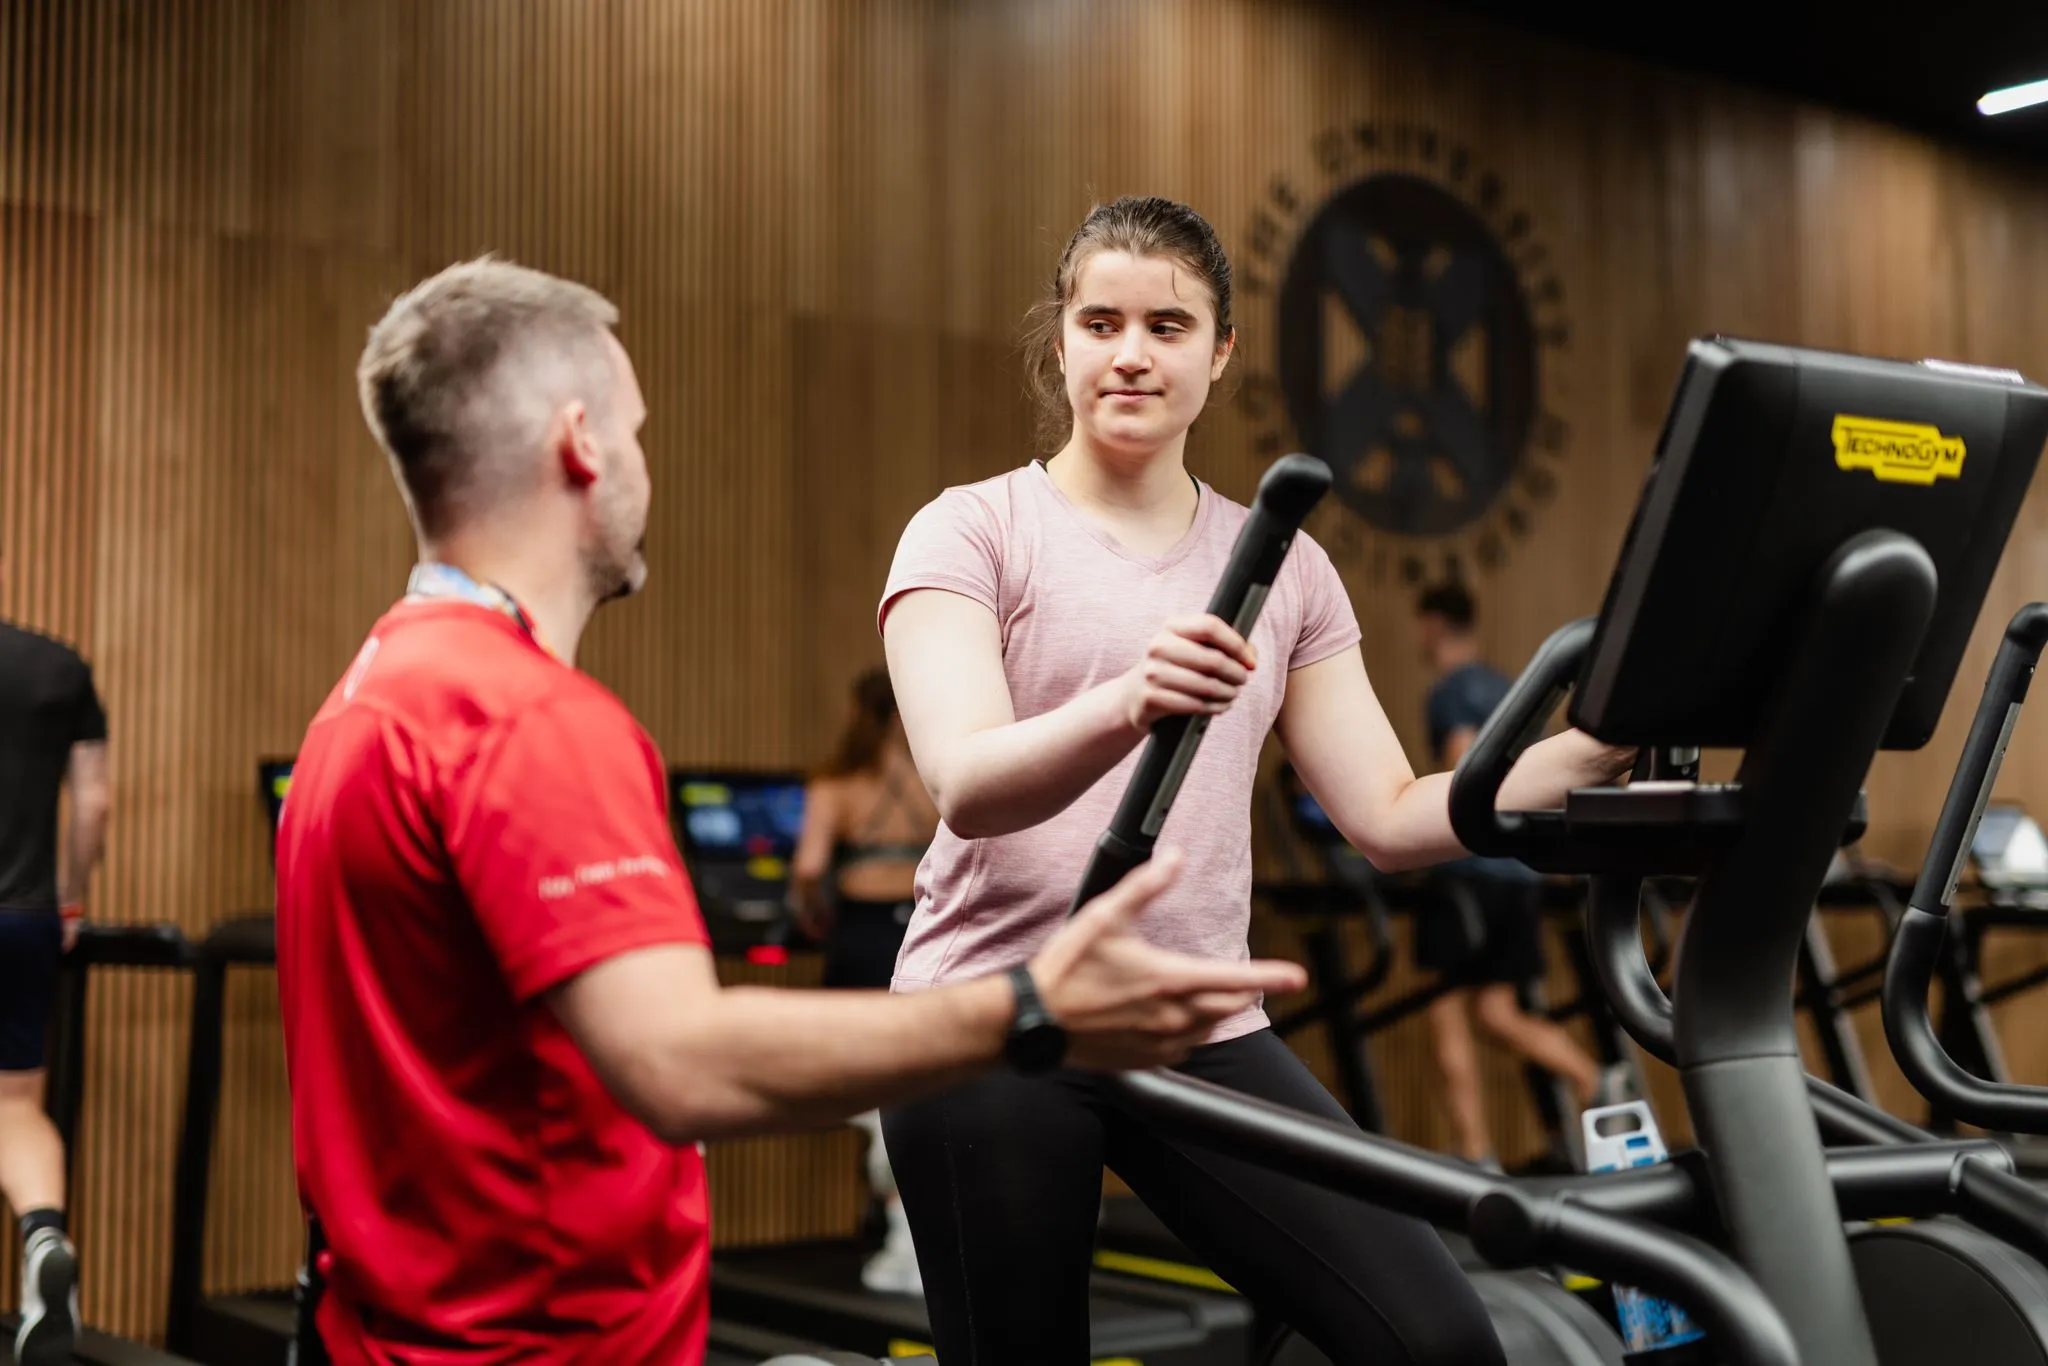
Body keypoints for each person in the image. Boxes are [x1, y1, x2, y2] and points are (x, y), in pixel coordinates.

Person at [275, 256, 1307, 1366]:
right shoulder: (529, 720)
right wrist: (1030, 1006)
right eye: (634, 432)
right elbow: (683, 1064)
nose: (641, 465)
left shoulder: (363, 700)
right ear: (580, 444)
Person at [876, 195, 1636, 1365]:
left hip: (1194, 1020)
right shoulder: (971, 531)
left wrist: (1588, 752)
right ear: (1060, 340)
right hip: (992, 1009)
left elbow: (1388, 814)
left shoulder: (1285, 568)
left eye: (1167, 326)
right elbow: (965, 780)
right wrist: (1129, 699)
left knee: (1434, 1339)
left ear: (1220, 351)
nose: (1130, 354)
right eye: (1099, 322)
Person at [1413, 581, 1623, 1171]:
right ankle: (1591, 1076)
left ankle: (1475, 1154)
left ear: (1432, 625)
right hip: (1518, 871)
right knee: (1496, 1011)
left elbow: (1464, 771)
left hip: (1467, 872)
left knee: (1445, 1010)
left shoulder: (1451, 691)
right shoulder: (1512, 688)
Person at [790, 665, 941, 1295]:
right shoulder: (930, 777)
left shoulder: (837, 784)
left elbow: (809, 867)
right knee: (915, 1080)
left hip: (861, 936)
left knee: (868, 1086)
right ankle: (916, 1228)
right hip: (920, 934)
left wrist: (811, 912)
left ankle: (897, 1232)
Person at [0, 566, 111, 1366]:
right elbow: (94, 803)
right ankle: (43, 1236)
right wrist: (70, 899)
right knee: (14, 1106)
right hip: (24, 917)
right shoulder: (59, 667)